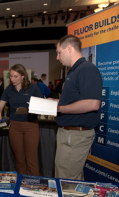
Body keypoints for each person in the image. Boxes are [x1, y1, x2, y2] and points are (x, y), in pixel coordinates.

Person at [54, 34, 102, 180]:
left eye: (58, 52)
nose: (57, 57)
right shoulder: (74, 71)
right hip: (69, 134)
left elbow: (93, 103)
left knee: (65, 180)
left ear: (69, 48)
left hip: (74, 136)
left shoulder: (86, 69)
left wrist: (60, 108)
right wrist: (55, 103)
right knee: (71, 180)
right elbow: (75, 100)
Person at [0, 64, 43, 176]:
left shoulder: (33, 88)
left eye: (15, 76)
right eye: (11, 76)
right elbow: (0, 105)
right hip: (15, 127)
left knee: (31, 159)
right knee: (19, 159)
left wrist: (33, 108)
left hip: (30, 125)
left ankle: (32, 184)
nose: (12, 79)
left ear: (23, 76)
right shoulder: (9, 90)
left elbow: (42, 105)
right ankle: (21, 183)